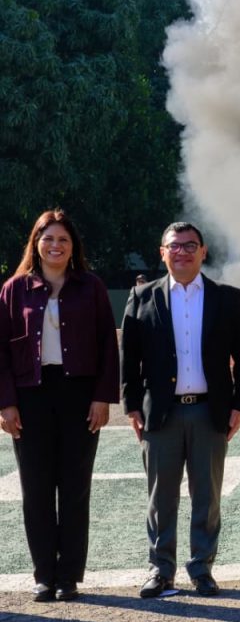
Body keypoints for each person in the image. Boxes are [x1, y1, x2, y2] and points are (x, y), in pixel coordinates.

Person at [121, 222, 240, 598]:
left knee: (207, 496)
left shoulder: (227, 298)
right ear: (162, 252)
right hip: (160, 413)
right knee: (160, 497)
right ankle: (160, 569)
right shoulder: (142, 296)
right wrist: (131, 406)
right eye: (174, 246)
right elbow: (129, 358)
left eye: (190, 245)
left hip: (209, 411)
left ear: (203, 252)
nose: (182, 252)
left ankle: (201, 568)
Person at [0, 209, 119, 602]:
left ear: (73, 247)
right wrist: (6, 403)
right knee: (35, 489)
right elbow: (1, 352)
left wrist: (102, 397)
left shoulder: (91, 287)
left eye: (63, 239)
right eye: (48, 238)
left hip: (79, 396)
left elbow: (108, 345)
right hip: (30, 397)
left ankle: (68, 576)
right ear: (36, 243)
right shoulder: (14, 289)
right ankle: (43, 576)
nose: (55, 245)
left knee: (74, 488)